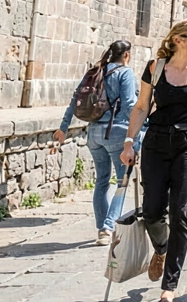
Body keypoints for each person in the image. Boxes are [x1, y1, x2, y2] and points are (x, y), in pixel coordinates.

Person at [119, 21, 187, 301]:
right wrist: (129, 142)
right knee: (152, 210)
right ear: (179, 40)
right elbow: (141, 106)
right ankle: (162, 249)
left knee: (181, 212)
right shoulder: (156, 68)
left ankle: (170, 285)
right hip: (155, 142)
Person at [54, 39, 138, 245]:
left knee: (101, 181)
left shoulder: (95, 71)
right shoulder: (125, 73)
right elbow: (128, 105)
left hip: (93, 134)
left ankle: (102, 229)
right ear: (126, 55)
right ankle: (108, 227)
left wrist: (63, 128)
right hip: (117, 133)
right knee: (122, 182)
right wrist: (143, 125)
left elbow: (76, 99)